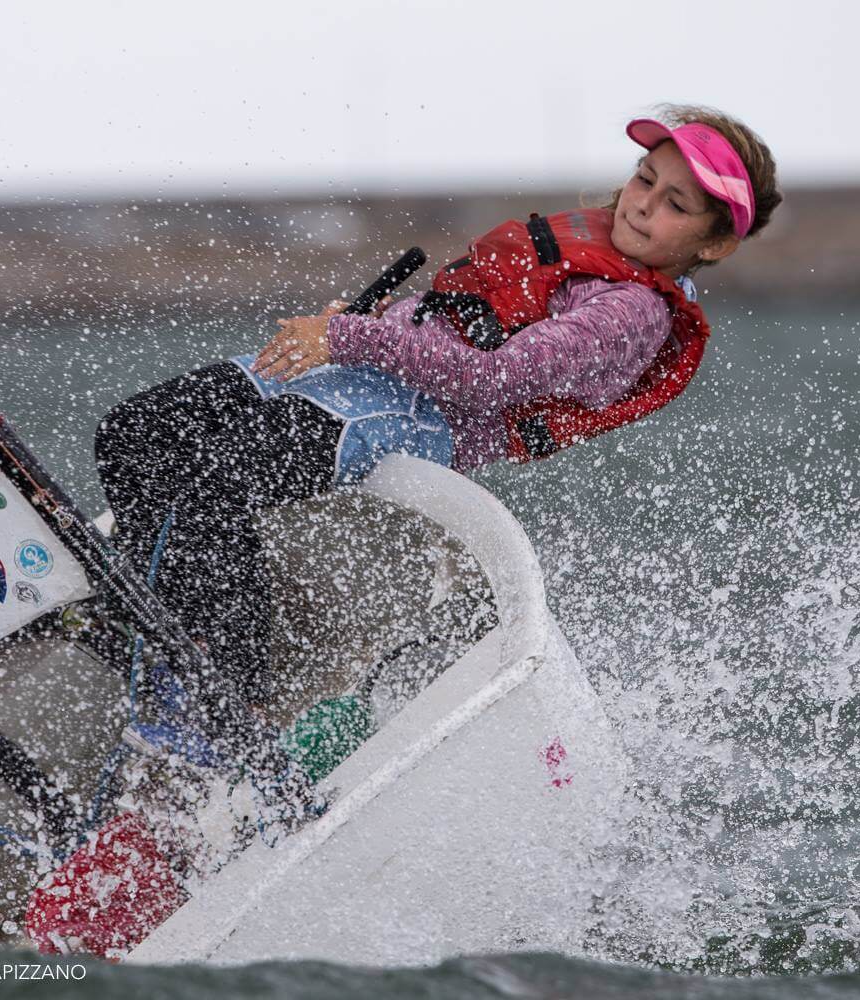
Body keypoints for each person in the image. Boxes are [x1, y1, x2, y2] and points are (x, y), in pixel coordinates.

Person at [95, 103, 782, 726]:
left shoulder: (630, 312)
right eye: (643, 180)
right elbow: (455, 322)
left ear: (713, 243)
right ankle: (147, 621)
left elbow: (490, 379)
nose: (642, 205)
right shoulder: (587, 249)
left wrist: (348, 337)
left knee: (214, 481)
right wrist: (369, 323)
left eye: (675, 205)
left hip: (415, 418)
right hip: (354, 369)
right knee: (133, 433)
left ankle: (227, 700)